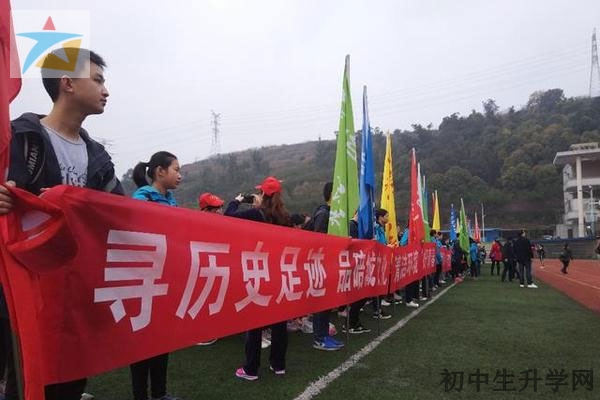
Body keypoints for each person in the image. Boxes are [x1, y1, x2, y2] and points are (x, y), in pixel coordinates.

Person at [0, 48, 122, 400]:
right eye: (97, 80)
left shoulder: (98, 157)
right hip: (23, 288)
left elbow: (120, 212)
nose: (105, 90)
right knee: (25, 374)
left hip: (74, 291)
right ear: (67, 83)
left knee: (70, 374)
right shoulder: (19, 138)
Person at [225, 176, 291, 380]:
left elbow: (227, 218)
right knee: (279, 321)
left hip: (259, 272)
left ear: (263, 194)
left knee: (254, 321)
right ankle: (278, 364)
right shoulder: (285, 217)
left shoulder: (256, 214)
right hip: (278, 273)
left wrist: (236, 201)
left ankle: (251, 368)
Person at [130, 152, 183, 400]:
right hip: (143, 279)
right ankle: (140, 395)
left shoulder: (171, 200)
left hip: (165, 278)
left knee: (162, 339)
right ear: (160, 171)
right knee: (141, 343)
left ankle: (159, 393)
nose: (180, 175)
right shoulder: (142, 198)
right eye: (176, 169)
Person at [304, 182, 345, 351]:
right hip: (321, 265)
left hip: (330, 265)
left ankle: (325, 335)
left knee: (327, 302)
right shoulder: (323, 214)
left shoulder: (334, 214)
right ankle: (319, 338)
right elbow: (319, 241)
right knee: (321, 303)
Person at [196, 192, 225, 346]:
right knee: (203, 297)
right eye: (216, 208)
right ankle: (200, 333)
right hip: (203, 268)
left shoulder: (220, 224)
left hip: (216, 266)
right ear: (205, 210)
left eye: (220, 207)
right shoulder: (197, 224)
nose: (220, 211)